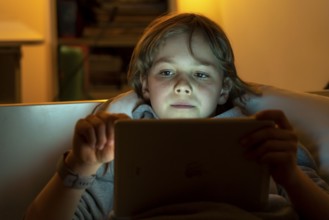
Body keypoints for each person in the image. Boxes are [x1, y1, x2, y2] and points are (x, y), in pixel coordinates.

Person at [25, 12, 329, 220]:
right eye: (167, 72)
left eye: (200, 74)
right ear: (145, 85)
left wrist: (291, 176)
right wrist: (80, 165)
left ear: (224, 90)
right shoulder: (115, 148)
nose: (183, 86)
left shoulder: (267, 139)